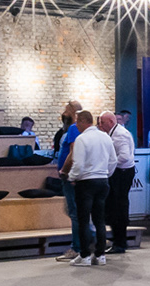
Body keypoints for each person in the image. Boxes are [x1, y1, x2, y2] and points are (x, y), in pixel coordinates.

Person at [64, 109, 115, 267]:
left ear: (83, 121)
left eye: (77, 122)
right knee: (100, 220)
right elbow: (113, 160)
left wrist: (71, 177)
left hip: (86, 183)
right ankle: (100, 255)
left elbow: (78, 164)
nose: (76, 125)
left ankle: (85, 255)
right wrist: (105, 174)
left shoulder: (82, 139)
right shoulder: (105, 137)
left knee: (84, 220)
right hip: (102, 181)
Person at [52, 100, 85, 258]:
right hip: (73, 174)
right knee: (73, 210)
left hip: (70, 175)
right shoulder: (73, 129)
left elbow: (73, 152)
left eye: (65, 110)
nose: (63, 113)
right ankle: (91, 238)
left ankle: (77, 247)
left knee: (74, 212)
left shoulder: (73, 128)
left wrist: (65, 171)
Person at [101, 111, 136, 256]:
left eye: (102, 122)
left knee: (118, 208)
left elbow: (124, 157)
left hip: (122, 173)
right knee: (115, 207)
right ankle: (119, 240)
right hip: (120, 172)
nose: (100, 125)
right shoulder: (114, 133)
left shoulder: (120, 134)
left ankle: (120, 242)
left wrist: (108, 165)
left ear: (110, 122)